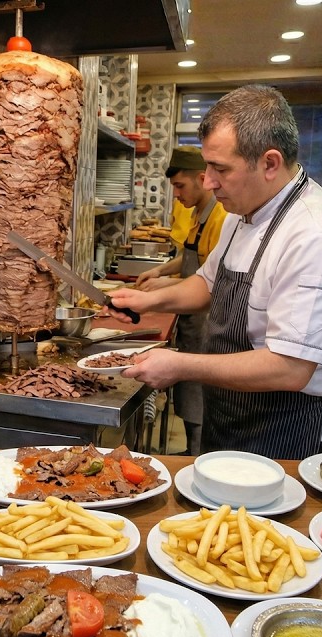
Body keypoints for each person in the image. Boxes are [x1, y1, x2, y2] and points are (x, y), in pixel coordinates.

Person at [107, 84, 322, 460]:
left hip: (283, 433)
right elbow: (208, 284)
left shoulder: (317, 235)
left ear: (270, 163)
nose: (209, 181)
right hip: (228, 415)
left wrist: (181, 365)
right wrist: (148, 299)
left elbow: (290, 368)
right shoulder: (243, 211)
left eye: (220, 169)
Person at [134, 146, 228, 454]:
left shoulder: (221, 217)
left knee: (199, 392)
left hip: (206, 319)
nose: (176, 194)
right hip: (190, 319)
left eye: (180, 186)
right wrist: (162, 271)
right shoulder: (198, 213)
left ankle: (198, 454)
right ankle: (191, 451)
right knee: (189, 392)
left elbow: (210, 281)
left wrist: (161, 292)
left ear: (202, 179)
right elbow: (190, 257)